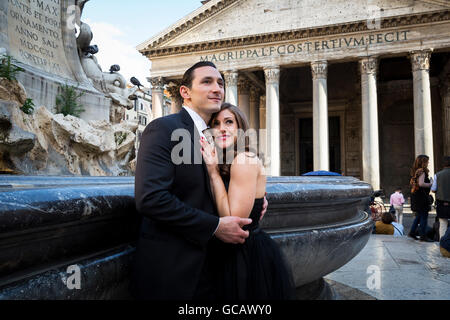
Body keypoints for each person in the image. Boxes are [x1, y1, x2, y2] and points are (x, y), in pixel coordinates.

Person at [131, 61, 267, 300]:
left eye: (220, 83)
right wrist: (214, 226)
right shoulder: (163, 128)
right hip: (175, 269)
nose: (217, 89)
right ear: (185, 92)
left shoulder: (217, 138)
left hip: (215, 268)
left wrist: (257, 200)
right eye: (207, 82)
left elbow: (232, 179)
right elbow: (151, 198)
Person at [200, 103, 296, 300]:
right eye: (216, 123)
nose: (222, 129)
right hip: (229, 252)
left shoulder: (244, 159)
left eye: (229, 122)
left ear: (240, 129)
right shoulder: (226, 159)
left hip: (243, 255)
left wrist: (213, 173)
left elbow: (231, 220)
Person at [408, 155, 434, 242]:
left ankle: (412, 232)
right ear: (423, 162)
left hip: (417, 196)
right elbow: (421, 184)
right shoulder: (422, 171)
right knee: (424, 216)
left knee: (419, 216)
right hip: (421, 197)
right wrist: (431, 184)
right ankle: (423, 236)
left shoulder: (416, 171)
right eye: (427, 161)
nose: (428, 163)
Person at [431, 156, 450, 240]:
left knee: (442, 223)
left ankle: (442, 242)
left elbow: (433, 189)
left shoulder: (437, 175)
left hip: (442, 202)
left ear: (443, 164)